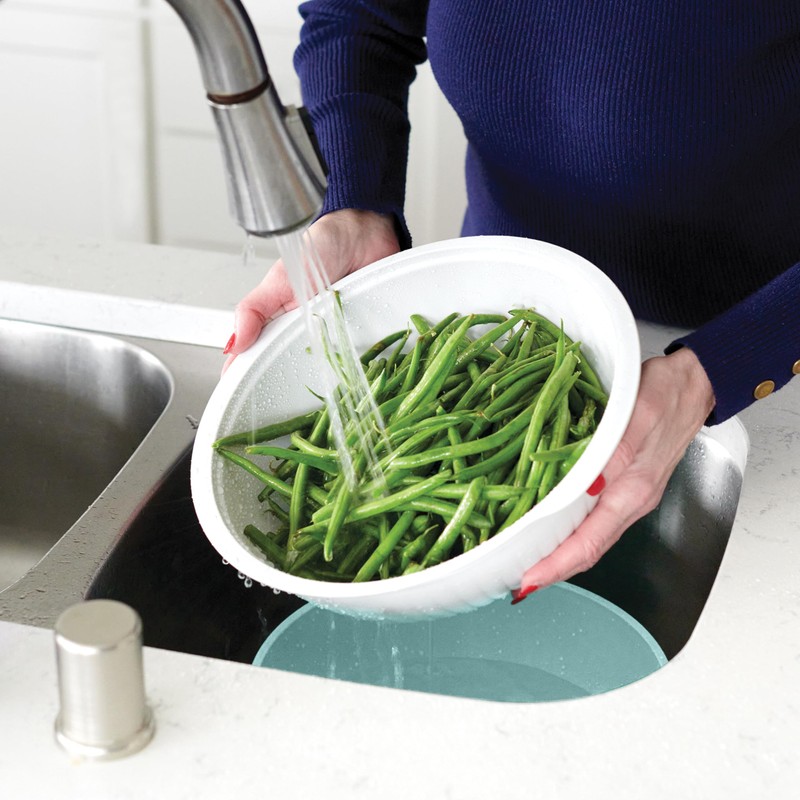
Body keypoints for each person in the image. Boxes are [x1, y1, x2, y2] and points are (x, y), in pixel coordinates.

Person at [222, 1, 800, 601]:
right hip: (506, 332)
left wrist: (718, 369)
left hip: (763, 345)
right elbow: (359, 15)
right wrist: (355, 199)